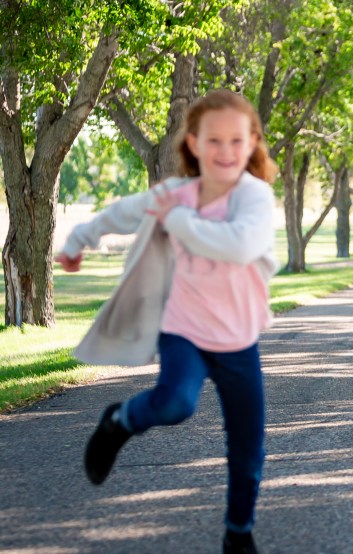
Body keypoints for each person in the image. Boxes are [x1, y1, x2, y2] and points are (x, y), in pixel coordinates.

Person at [56, 89, 279, 554]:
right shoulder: (176, 194)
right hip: (184, 330)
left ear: (252, 143)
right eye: (213, 140)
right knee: (175, 402)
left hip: (238, 339)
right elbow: (122, 212)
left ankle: (238, 533)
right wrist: (77, 240)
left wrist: (176, 220)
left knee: (248, 448)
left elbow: (239, 246)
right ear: (194, 143)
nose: (225, 151)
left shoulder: (254, 196)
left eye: (236, 141)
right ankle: (119, 421)